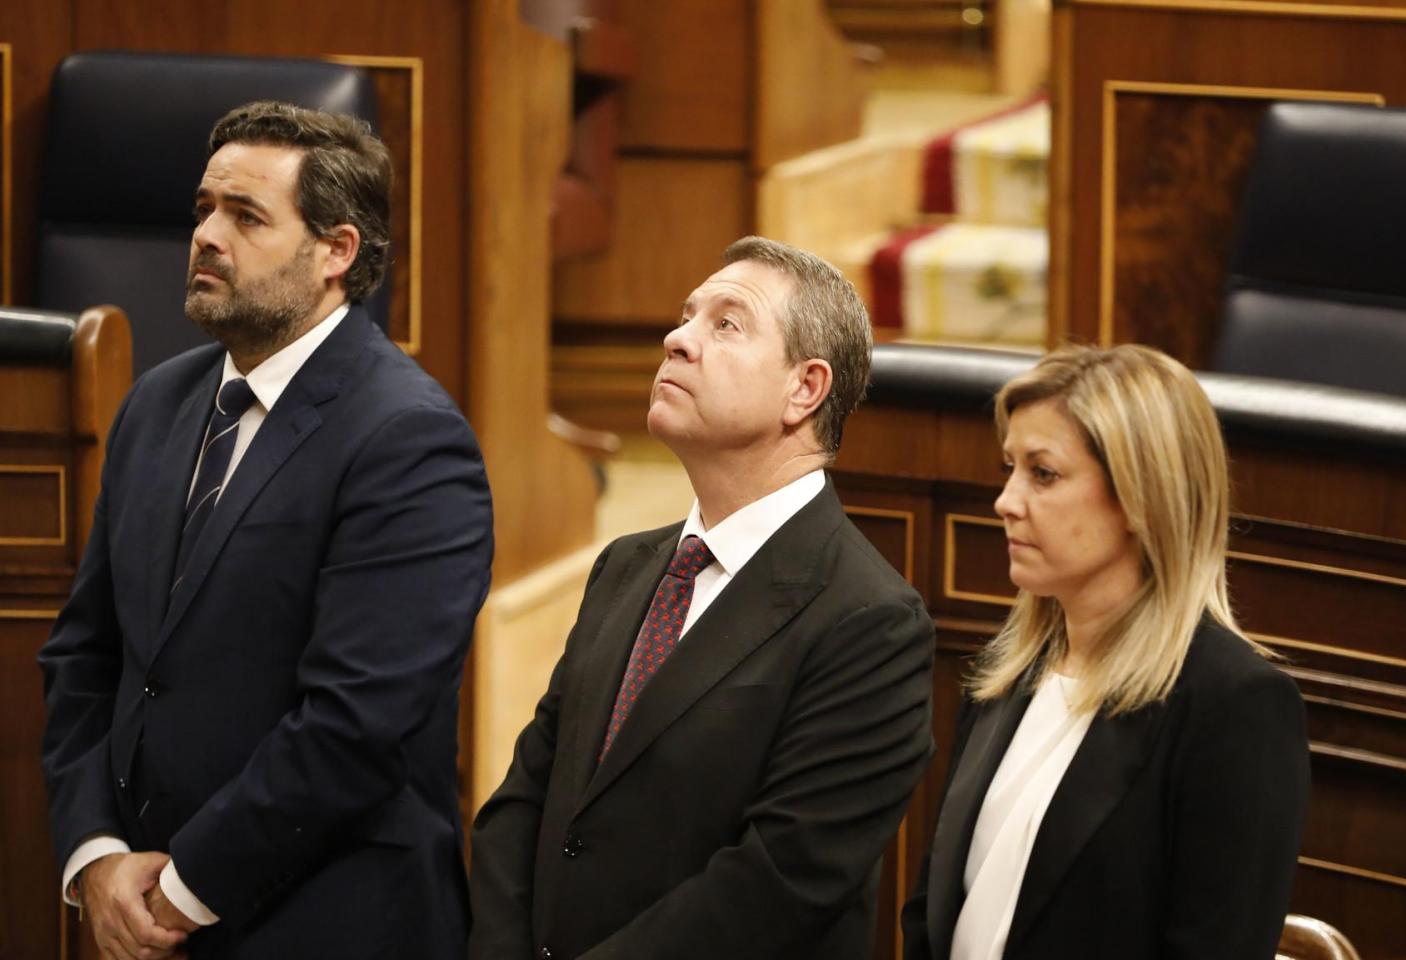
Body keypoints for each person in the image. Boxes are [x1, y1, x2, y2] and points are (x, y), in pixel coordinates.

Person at [38, 101, 494, 960]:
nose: (208, 235)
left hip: (323, 919)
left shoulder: (408, 439)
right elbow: (86, 653)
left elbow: (354, 725)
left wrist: (178, 892)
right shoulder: (156, 404)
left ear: (337, 252)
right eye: (205, 208)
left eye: (247, 217)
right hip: (135, 907)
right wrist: (96, 854)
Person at [469, 236, 934, 959]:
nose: (676, 339)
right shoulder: (628, 564)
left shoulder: (871, 621)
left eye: (726, 324)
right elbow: (527, 795)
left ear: (804, 389)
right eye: (687, 317)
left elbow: (774, 885)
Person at [901, 344, 1310, 959]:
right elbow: (932, 911)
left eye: (1043, 473)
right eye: (1008, 467)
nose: (1006, 501)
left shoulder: (1236, 706)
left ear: (1140, 500)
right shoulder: (1006, 676)